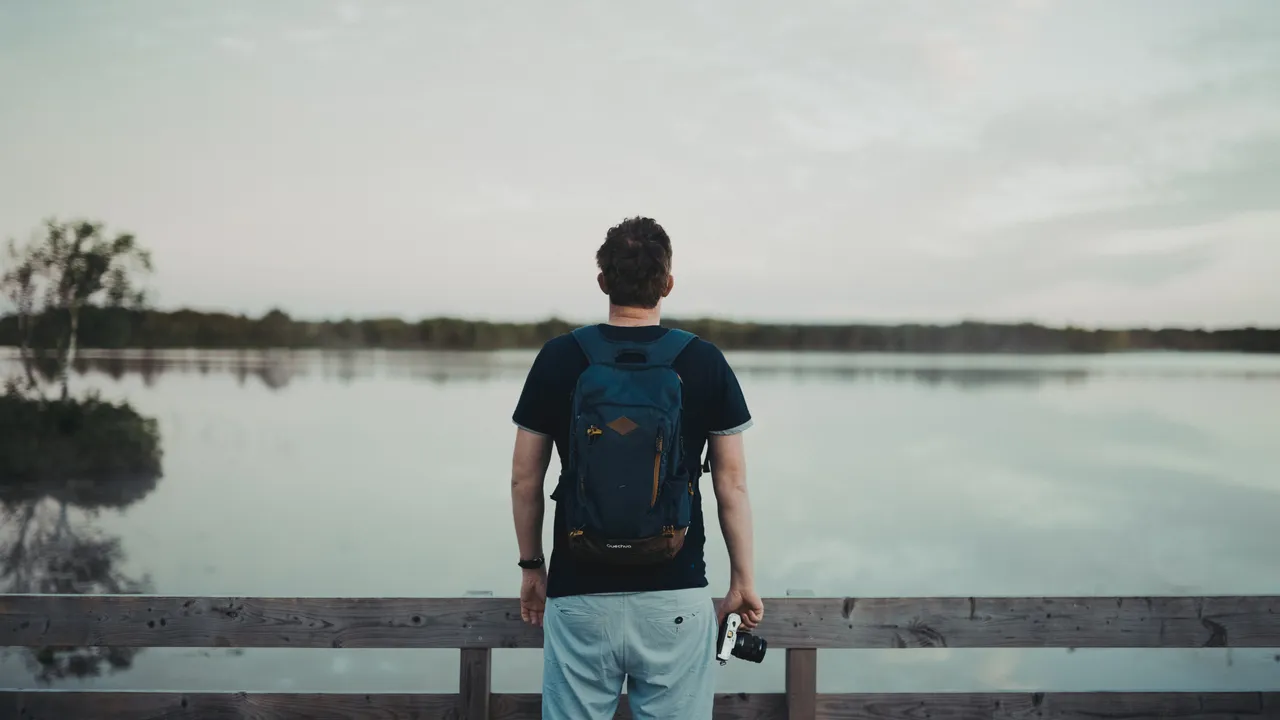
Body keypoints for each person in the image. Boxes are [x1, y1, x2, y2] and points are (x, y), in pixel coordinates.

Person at [509, 216, 763, 719]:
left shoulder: (559, 358)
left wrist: (533, 568)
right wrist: (742, 582)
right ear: (667, 284)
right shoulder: (704, 361)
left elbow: (524, 479)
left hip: (579, 591)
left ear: (603, 281)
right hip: (675, 591)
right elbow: (730, 483)